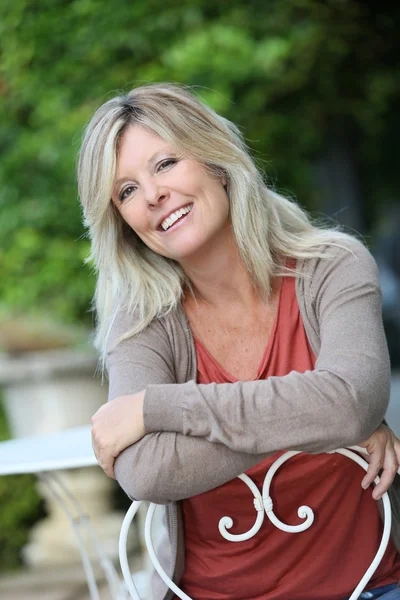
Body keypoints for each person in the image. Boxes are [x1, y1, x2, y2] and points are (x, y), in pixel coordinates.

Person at [79, 83, 400, 600]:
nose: (153, 195)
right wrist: (321, 418)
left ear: (216, 160)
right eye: (127, 191)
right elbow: (146, 470)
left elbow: (351, 403)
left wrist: (158, 408)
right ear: (122, 221)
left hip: (368, 587)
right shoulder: (140, 321)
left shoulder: (332, 269)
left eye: (164, 164)